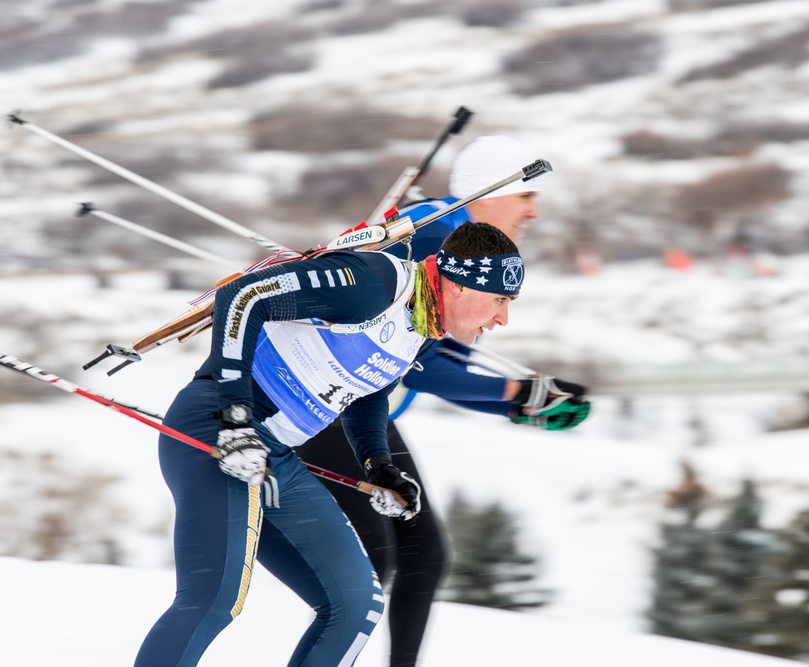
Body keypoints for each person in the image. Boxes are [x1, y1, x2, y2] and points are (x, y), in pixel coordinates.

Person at [135, 222, 526, 667]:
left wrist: (377, 463)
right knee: (213, 598)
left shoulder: (419, 325)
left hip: (273, 456)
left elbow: (370, 393)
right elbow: (243, 297)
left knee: (355, 604)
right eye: (499, 300)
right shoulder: (373, 284)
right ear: (458, 285)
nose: (502, 319)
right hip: (216, 430)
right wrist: (236, 417)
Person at [294, 136, 590, 667]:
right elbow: (419, 363)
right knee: (374, 565)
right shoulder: (434, 235)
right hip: (324, 402)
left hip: (363, 406)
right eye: (527, 196)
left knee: (421, 557)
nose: (534, 211)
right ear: (489, 192)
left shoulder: (454, 234)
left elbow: (435, 359)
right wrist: (519, 397)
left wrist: (519, 401)